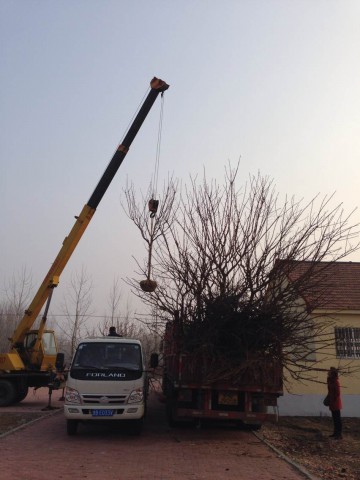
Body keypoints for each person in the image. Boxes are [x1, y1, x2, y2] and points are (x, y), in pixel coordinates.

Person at [327, 367, 342, 439]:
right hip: (332, 402)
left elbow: (338, 393)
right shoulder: (330, 380)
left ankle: (339, 435)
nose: (328, 372)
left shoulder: (336, 381)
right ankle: (335, 433)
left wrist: (333, 400)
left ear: (333, 373)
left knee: (337, 419)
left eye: (329, 372)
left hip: (336, 402)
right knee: (334, 419)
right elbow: (329, 391)